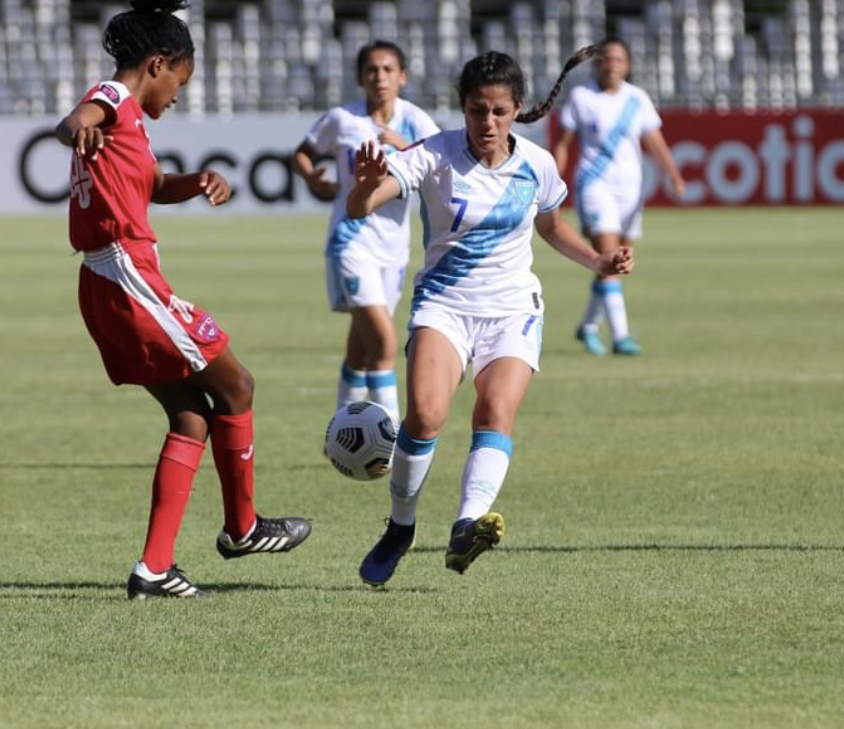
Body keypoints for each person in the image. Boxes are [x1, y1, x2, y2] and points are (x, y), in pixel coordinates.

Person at [54, 0, 311, 600]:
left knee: (191, 416)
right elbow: (79, 116)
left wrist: (196, 181)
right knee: (238, 385)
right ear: (159, 64)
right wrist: (79, 124)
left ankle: (154, 569)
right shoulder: (114, 98)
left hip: (104, 280)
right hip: (126, 277)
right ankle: (243, 528)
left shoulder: (133, 127)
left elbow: (150, 186)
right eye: (180, 83)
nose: (177, 96)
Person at [347, 47, 635, 587]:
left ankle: (466, 526)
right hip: (444, 306)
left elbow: (551, 227)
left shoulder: (537, 164)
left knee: (496, 411)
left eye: (499, 111)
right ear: (463, 106)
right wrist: (364, 187)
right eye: (478, 110)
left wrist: (598, 261)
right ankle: (400, 528)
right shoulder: (434, 154)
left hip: (512, 310)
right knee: (425, 416)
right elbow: (362, 206)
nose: (488, 122)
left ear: (517, 109)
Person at [292, 42, 440, 428]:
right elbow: (302, 153)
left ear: (402, 76)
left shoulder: (416, 121)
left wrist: (406, 147)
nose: (380, 77)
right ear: (360, 77)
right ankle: (389, 439)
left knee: (362, 349)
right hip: (351, 241)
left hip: (394, 247)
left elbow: (444, 171)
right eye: (372, 70)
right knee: (385, 344)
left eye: (388, 69)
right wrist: (313, 178)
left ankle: (341, 431)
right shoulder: (343, 119)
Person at [552, 37, 685, 356]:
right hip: (595, 185)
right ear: (597, 63)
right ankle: (621, 335)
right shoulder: (582, 97)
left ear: (628, 65)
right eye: (606, 58)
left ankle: (588, 326)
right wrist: (553, 181)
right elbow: (563, 143)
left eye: (619, 59)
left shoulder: (637, 98)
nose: (612, 65)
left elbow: (655, 141)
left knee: (618, 261)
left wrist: (673, 174)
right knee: (609, 254)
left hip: (630, 190)